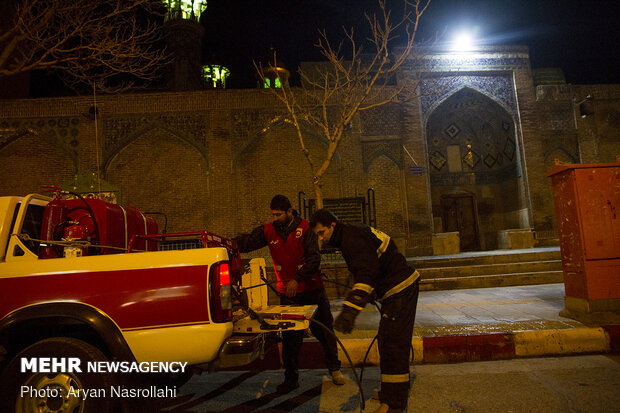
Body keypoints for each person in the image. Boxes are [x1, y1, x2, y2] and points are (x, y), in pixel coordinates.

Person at [310, 209, 420, 413]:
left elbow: (367, 274)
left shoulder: (352, 239)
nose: (321, 239)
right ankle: (390, 393)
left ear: (332, 226)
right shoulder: (350, 235)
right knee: (386, 342)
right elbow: (371, 268)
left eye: (321, 232)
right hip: (395, 290)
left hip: (401, 289)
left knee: (393, 345)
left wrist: (350, 310)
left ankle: (394, 404)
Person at [234, 195, 344, 393]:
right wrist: (227, 244)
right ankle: (291, 379)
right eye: (273, 214)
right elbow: (248, 241)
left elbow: (314, 259)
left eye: (279, 214)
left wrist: (297, 279)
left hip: (313, 291)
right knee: (290, 340)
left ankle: (335, 369)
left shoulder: (306, 229)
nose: (275, 218)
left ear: (290, 212)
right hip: (289, 296)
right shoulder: (269, 231)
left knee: (325, 332)